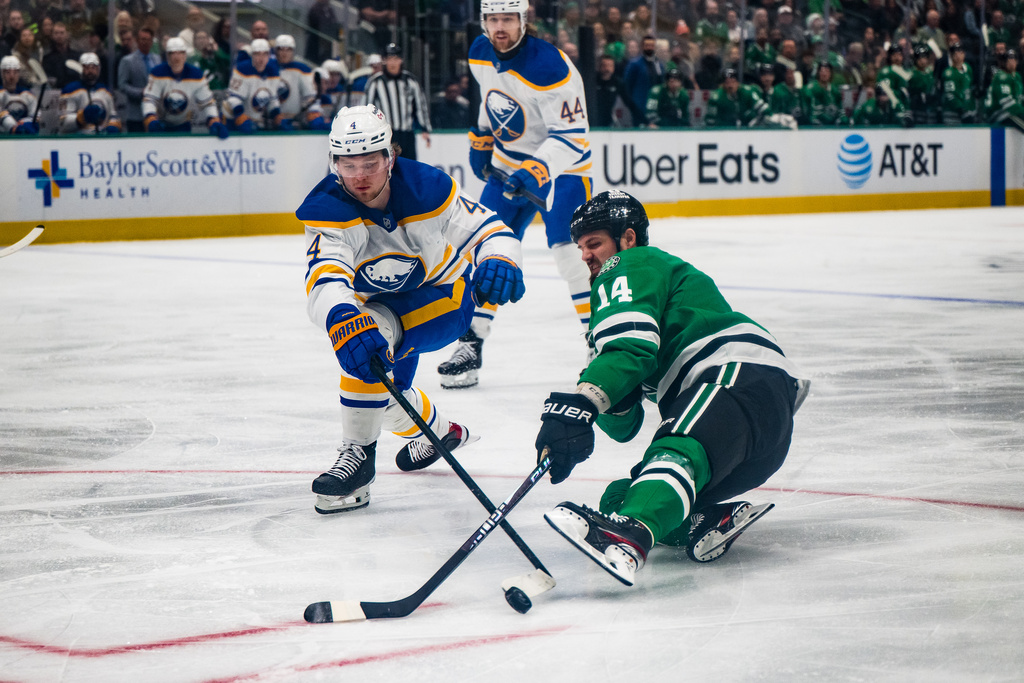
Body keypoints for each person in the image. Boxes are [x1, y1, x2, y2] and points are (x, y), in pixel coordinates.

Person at [535, 190, 808, 586]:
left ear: (627, 238)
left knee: (673, 451)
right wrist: (600, 404)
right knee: (620, 496)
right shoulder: (627, 293)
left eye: (594, 243)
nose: (585, 256)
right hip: (751, 433)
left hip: (735, 379)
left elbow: (632, 351)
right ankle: (704, 519)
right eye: (580, 247)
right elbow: (626, 423)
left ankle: (629, 535)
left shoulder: (631, 262)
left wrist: (581, 405)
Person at [295, 105, 526, 514]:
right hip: (381, 308)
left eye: (369, 162)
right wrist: (339, 314)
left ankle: (358, 459)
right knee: (382, 396)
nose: (360, 176)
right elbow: (325, 276)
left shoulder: (427, 188)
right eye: (348, 165)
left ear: (390, 157)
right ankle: (442, 432)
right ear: (334, 164)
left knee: (372, 332)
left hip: (444, 297)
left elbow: (489, 229)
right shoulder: (326, 210)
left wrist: (499, 257)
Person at [440, 0, 593, 389]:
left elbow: (573, 136)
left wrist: (537, 170)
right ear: (483, 22)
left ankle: (601, 342)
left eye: (508, 19)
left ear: (523, 21)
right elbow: (492, 99)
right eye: (493, 19)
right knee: (485, 250)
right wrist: (481, 136)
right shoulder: (479, 53)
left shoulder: (550, 66)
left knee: (573, 255)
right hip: (508, 165)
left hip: (562, 170)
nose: (500, 27)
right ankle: (470, 344)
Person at [142, 37, 228, 138]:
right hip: (160, 124)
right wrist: (150, 117)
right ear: (167, 56)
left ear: (185, 55)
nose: (176, 57)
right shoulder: (157, 73)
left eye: (180, 53)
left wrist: (213, 120)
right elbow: (149, 99)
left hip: (183, 124)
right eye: (172, 53)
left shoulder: (196, 75)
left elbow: (207, 102)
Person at [364, 42, 431, 160]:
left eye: (396, 59)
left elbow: (419, 106)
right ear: (384, 61)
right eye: (389, 59)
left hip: (407, 134)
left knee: (409, 167)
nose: (393, 63)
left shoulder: (411, 81)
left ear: (401, 60)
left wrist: (424, 128)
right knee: (387, 166)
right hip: (385, 134)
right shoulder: (375, 82)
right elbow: (367, 109)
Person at [223, 39, 290, 133]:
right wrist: (240, 116)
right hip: (233, 120)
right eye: (257, 54)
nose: (261, 58)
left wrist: (277, 116)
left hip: (254, 122)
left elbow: (272, 100)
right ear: (252, 55)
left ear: (269, 55)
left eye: (264, 54)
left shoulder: (273, 71)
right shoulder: (242, 69)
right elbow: (233, 99)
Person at [274, 34, 329, 130]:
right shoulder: (268, 68)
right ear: (276, 51)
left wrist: (313, 113)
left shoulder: (302, 69)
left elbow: (310, 97)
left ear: (293, 51)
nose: (284, 53)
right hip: (270, 120)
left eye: (288, 49)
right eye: (281, 49)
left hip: (294, 121)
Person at [59, 52, 121, 134]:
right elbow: (63, 122)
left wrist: (113, 126)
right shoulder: (70, 90)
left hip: (101, 140)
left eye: (94, 67)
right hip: (78, 140)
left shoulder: (105, 91)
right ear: (80, 68)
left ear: (99, 69)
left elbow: (113, 116)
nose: (90, 71)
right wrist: (82, 117)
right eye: (86, 67)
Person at [118, 27, 160, 132]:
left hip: (155, 114)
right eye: (143, 39)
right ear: (137, 40)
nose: (145, 42)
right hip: (136, 114)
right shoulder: (127, 61)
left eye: (148, 40)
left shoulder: (157, 59)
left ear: (151, 42)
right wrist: (140, 92)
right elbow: (122, 85)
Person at [704, 67, 770, 126]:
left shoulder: (748, 92)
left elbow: (764, 109)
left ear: (738, 83)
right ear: (723, 84)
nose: (731, 86)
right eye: (727, 83)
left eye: (733, 82)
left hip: (747, 129)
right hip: (724, 130)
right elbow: (710, 120)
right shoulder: (716, 96)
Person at [594, 53, 643, 127]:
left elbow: (629, 103)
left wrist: (646, 121)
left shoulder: (617, 82)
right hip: (591, 120)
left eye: (610, 66)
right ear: (599, 66)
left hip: (608, 122)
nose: (607, 69)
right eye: (604, 65)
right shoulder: (591, 81)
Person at [984, 49, 1024, 132]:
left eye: (1014, 59)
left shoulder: (1017, 76)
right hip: (998, 113)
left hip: (1010, 112)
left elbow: (1020, 98)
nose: (1012, 62)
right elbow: (1006, 103)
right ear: (1005, 62)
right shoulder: (1001, 77)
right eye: (1009, 59)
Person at [1, 55, 38, 134]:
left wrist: (27, 124)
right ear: (2, 74)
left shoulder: (28, 94)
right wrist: (14, 127)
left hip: (23, 138)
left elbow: (35, 116)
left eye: (15, 72)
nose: (12, 76)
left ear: (19, 74)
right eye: (8, 72)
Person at [803, 61, 848, 126]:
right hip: (816, 126)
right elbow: (809, 111)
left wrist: (841, 119)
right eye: (822, 71)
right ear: (818, 73)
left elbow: (841, 110)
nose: (824, 74)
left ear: (831, 73)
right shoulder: (811, 89)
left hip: (832, 125)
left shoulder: (835, 91)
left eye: (827, 71)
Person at [941, 42, 976, 124]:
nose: (958, 56)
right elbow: (950, 95)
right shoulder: (948, 73)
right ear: (951, 56)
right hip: (952, 114)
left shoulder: (968, 68)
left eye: (960, 53)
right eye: (955, 54)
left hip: (967, 112)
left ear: (964, 54)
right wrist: (961, 110)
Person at [41, 21, 80, 89]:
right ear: (52, 36)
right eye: (56, 33)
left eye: (62, 33)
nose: (59, 36)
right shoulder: (47, 59)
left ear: (67, 34)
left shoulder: (76, 56)